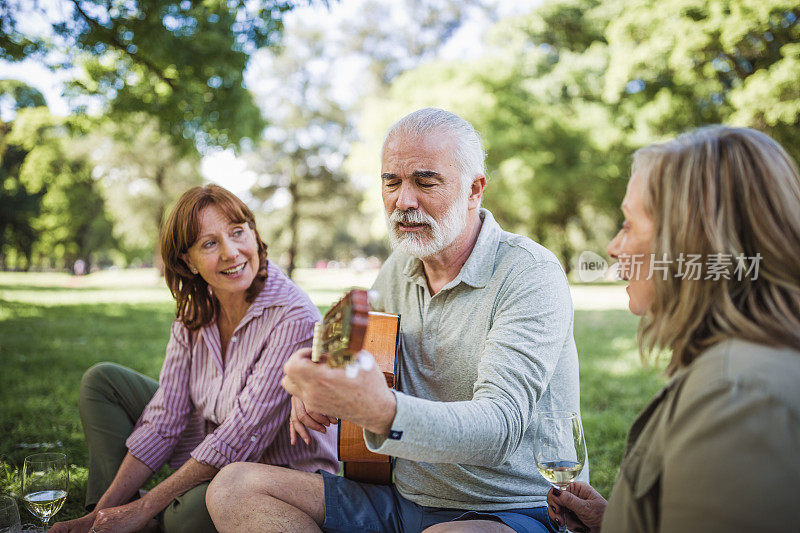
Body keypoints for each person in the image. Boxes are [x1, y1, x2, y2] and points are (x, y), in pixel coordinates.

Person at [205, 108, 583, 533]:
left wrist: (383, 412)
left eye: (425, 182)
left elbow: (499, 428)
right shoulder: (399, 265)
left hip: (510, 508)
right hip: (399, 501)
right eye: (392, 182)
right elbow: (350, 340)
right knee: (234, 487)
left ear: (474, 189)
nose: (404, 201)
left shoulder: (530, 273)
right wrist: (319, 378)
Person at [545, 126, 800, 532]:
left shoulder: (738, 398)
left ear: (689, 243)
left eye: (628, 224)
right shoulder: (739, 367)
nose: (613, 246)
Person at [51, 185, 338, 533]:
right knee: (103, 382)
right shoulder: (195, 308)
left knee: (180, 519)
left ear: (253, 233)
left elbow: (239, 437)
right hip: (209, 437)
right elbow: (165, 417)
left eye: (237, 232)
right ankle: (104, 518)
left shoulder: (293, 317)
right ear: (188, 260)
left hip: (268, 476)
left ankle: (140, 518)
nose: (232, 252)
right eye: (210, 243)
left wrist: (143, 508)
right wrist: (106, 512)